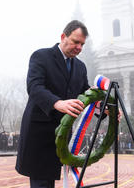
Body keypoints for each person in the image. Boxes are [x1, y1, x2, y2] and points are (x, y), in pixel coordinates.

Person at [15, 20, 90, 188]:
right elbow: (34, 87)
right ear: (63, 37)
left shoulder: (80, 66)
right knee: (41, 183)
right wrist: (57, 103)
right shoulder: (41, 56)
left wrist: (104, 107)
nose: (79, 47)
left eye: (82, 44)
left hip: (62, 137)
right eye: (75, 42)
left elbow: (86, 93)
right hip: (40, 134)